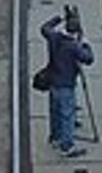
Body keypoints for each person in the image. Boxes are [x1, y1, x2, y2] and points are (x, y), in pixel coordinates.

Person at [39, 10, 94, 158]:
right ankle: (67, 146)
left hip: (53, 81)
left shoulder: (54, 37)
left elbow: (44, 28)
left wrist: (59, 18)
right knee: (67, 115)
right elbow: (88, 59)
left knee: (55, 111)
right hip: (66, 84)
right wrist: (86, 45)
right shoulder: (74, 46)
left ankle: (55, 137)